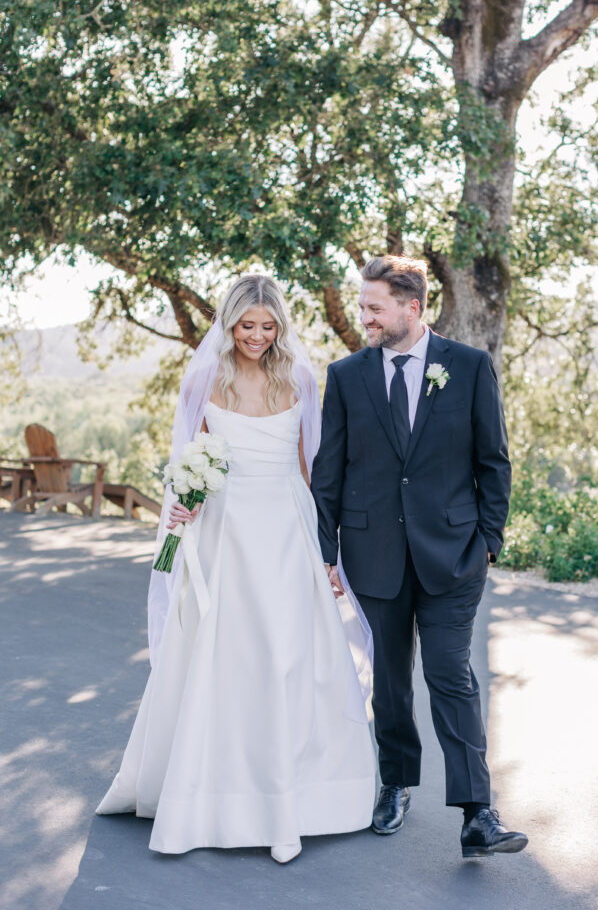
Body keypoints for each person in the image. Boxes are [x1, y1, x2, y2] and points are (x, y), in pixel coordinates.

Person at [97, 275, 376, 864]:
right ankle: (216, 797)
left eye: (267, 326)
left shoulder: (299, 376)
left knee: (291, 654)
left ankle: (295, 802)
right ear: (228, 324)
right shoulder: (205, 378)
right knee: (228, 656)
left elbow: (310, 468)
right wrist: (185, 500)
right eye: (246, 326)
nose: (256, 336)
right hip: (226, 531)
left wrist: (329, 553)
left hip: (286, 527)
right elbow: (189, 460)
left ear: (281, 327)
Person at [311, 254, 528, 859]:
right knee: (391, 683)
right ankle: (396, 783)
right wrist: (325, 551)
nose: (365, 318)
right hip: (371, 552)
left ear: (413, 307)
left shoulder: (469, 366)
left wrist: (488, 541)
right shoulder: (348, 376)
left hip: (454, 555)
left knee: (450, 675)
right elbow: (329, 471)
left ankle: (477, 812)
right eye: (362, 307)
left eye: (374, 308)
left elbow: (494, 462)